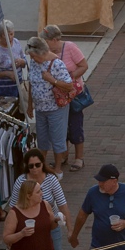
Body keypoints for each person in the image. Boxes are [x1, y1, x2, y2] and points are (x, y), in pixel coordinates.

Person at [6, 149, 69, 250]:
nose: (34, 168)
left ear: (42, 164)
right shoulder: (21, 183)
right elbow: (13, 208)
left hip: (47, 229)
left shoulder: (50, 185)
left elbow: (62, 204)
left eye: (37, 165)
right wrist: (18, 233)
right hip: (26, 245)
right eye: (31, 166)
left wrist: (66, 226)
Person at [42, 24, 89, 172]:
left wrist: (70, 78)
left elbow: (83, 65)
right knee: (61, 127)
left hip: (72, 95)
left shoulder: (70, 47)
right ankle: (63, 155)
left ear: (55, 39)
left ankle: (79, 158)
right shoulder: (47, 52)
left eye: (47, 41)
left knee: (75, 125)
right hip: (57, 96)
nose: (45, 44)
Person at [26, 36, 75, 176]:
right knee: (42, 138)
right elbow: (31, 83)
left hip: (55, 109)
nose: (33, 59)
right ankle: (43, 166)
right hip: (40, 109)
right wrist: (30, 105)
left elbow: (69, 85)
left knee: (57, 138)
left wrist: (52, 80)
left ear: (42, 52)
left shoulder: (57, 64)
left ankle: (58, 168)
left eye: (34, 56)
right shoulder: (35, 62)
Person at [4, 180, 58, 250]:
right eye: (38, 192)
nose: (42, 193)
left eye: (41, 190)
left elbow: (51, 226)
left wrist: (56, 220)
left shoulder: (45, 205)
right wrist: (21, 234)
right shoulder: (14, 213)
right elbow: (6, 238)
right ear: (28, 195)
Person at [0, 20, 27, 99]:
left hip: (17, 90)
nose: (10, 37)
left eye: (11, 34)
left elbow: (24, 60)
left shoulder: (16, 42)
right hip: (0, 93)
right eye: (6, 35)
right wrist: (7, 73)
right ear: (0, 35)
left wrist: (22, 62)